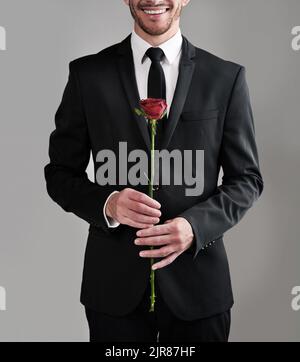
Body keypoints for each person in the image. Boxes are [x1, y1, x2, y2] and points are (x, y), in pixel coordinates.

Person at [44, 0, 264, 342]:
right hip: (113, 289)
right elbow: (59, 173)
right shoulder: (87, 75)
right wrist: (108, 204)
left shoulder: (226, 77)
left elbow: (246, 180)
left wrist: (194, 226)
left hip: (199, 288)